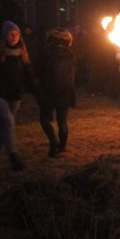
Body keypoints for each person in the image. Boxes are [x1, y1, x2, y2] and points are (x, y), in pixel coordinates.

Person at [0, 21, 36, 170]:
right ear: (5, 35)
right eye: (11, 34)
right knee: (7, 120)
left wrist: (37, 92)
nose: (14, 36)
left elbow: (29, 77)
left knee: (4, 125)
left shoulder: (22, 54)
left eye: (17, 34)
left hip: (14, 94)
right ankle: (14, 155)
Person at [36, 27, 76, 157]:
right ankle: (62, 147)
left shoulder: (45, 52)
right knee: (62, 120)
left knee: (44, 119)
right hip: (65, 90)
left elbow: (38, 71)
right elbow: (75, 72)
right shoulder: (69, 53)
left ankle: (53, 142)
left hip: (49, 90)